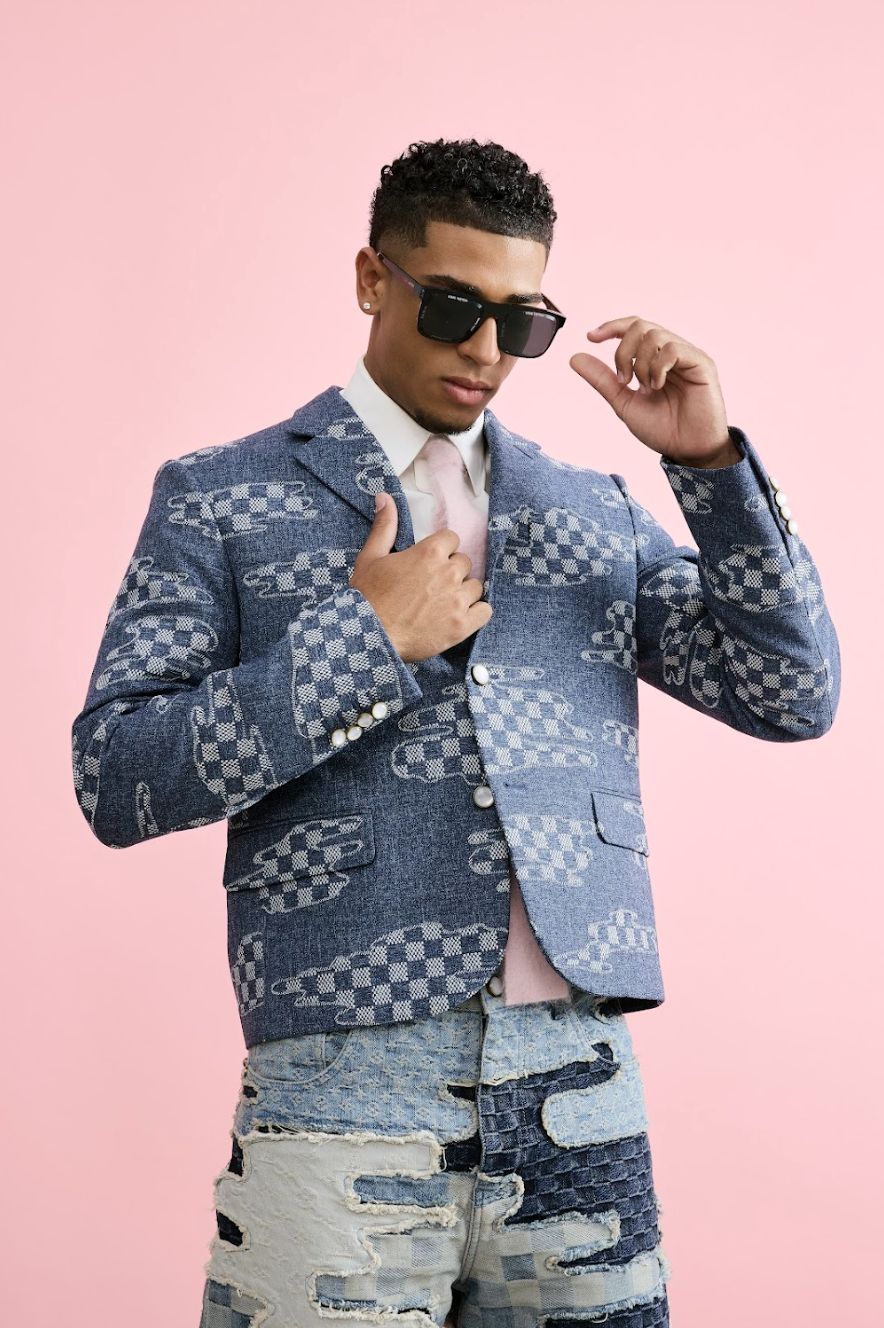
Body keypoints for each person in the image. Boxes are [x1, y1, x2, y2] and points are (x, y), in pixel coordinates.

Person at [71, 138, 840, 1328]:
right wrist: (360, 641)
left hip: (577, 1081)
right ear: (370, 278)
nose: (486, 350)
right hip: (338, 1076)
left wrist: (708, 466)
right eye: (451, 306)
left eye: (519, 321)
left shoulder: (588, 506)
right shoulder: (218, 496)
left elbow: (787, 690)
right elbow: (116, 773)